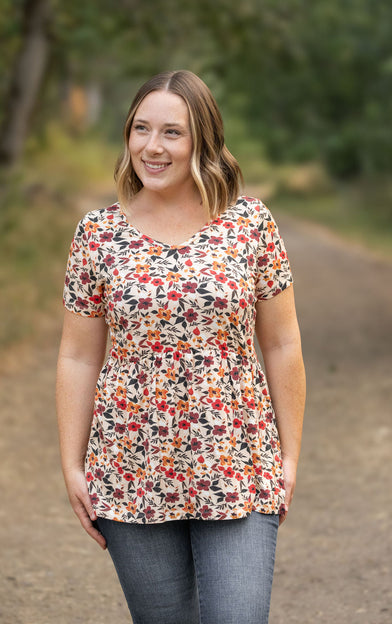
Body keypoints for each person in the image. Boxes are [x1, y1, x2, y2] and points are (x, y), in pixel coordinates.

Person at [56, 69, 306, 624]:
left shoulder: (250, 226)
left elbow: (284, 344)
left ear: (203, 140)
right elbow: (78, 357)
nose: (152, 146)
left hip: (237, 463)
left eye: (172, 132)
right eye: (140, 128)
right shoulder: (97, 235)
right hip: (130, 467)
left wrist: (287, 456)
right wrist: (72, 464)